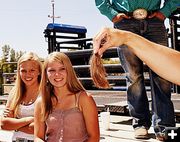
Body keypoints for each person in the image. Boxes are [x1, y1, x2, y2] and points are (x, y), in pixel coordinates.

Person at [95, 0, 179, 140]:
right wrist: (112, 14)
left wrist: (164, 12)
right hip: (125, 23)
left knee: (162, 75)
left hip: (154, 22)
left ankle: (164, 125)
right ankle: (140, 124)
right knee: (133, 76)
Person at [34, 52, 99, 142]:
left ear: (69, 70)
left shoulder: (84, 99)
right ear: (45, 74)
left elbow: (94, 137)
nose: (57, 74)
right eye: (52, 70)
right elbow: (37, 138)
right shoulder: (41, 102)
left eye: (62, 69)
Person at [0, 52, 42, 141]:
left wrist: (15, 124)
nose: (28, 74)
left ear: (39, 71)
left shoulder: (45, 92)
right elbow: (4, 124)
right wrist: (29, 120)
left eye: (32, 70)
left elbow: (40, 127)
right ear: (19, 71)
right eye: (23, 70)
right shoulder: (15, 92)